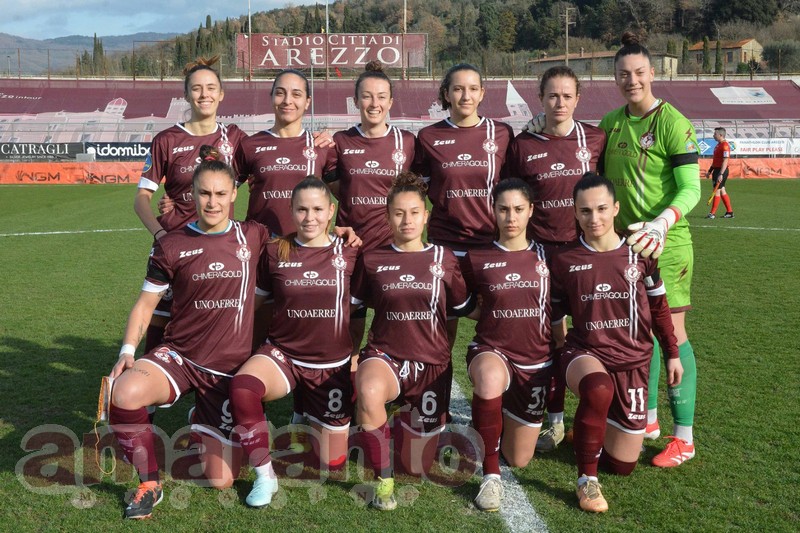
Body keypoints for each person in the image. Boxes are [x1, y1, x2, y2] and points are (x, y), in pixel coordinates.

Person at [108, 147, 270, 519]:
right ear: (192, 194)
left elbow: (301, 246)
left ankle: (200, 420)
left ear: (234, 194)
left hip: (227, 370)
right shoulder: (170, 244)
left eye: (220, 193)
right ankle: (150, 482)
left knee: (222, 480)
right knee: (125, 391)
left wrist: (341, 234)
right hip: (180, 356)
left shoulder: (254, 235)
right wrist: (127, 351)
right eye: (204, 193)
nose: (212, 202)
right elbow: (145, 305)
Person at [550, 172, 682, 513]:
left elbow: (659, 306)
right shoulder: (564, 259)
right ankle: (586, 481)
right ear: (575, 212)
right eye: (585, 211)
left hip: (632, 361)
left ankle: (590, 429)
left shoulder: (640, 252)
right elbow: (555, 313)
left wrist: (672, 353)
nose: (593, 218)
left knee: (622, 466)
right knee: (597, 389)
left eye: (601, 209)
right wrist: (558, 354)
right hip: (586, 352)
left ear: (616, 208)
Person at [598, 31, 701, 468]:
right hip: (626, 249)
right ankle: (649, 421)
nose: (632, 81)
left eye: (639, 72)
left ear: (653, 73)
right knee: (641, 333)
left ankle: (684, 437)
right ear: (615, 78)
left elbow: (691, 188)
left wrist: (661, 223)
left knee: (672, 332)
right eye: (624, 74)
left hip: (668, 245)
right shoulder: (611, 123)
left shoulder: (673, 123)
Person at [229, 177, 358, 508]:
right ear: (291, 210)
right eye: (302, 209)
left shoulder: (351, 251)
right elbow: (252, 305)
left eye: (317, 209)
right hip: (283, 354)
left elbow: (361, 309)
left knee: (332, 464)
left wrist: (357, 357)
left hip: (330, 366)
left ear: (332, 211)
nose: (310, 217)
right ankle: (264, 476)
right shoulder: (275, 251)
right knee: (243, 388)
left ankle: (307, 411)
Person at [351, 172, 473, 511]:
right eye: (399, 213)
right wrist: (351, 355)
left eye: (414, 212)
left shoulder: (444, 259)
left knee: (416, 467)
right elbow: (354, 310)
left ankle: (387, 422)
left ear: (426, 216)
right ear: (388, 217)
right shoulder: (372, 259)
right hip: (386, 355)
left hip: (430, 364)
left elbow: (458, 312)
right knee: (369, 389)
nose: (407, 220)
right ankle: (383, 481)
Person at [507, 65, 606, 453]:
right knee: (550, 338)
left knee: (593, 333)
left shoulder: (595, 139)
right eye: (552, 95)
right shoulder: (523, 144)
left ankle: (596, 415)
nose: (559, 102)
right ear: (540, 99)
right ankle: (555, 419)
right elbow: (512, 196)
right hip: (540, 257)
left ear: (577, 99)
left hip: (584, 254)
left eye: (567, 95)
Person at [135, 56, 248, 353]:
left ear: (221, 94)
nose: (204, 94)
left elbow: (267, 163)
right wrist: (162, 235)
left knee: (211, 319)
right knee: (160, 320)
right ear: (186, 95)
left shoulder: (234, 138)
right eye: (196, 88)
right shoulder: (167, 139)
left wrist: (317, 141)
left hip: (219, 246)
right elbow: (141, 199)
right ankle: (149, 373)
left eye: (211, 88)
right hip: (175, 245)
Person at [461, 178, 558, 512]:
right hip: (493, 350)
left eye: (518, 209)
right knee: (489, 378)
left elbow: (559, 310)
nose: (511, 217)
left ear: (531, 211)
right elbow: (459, 300)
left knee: (519, 458)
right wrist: (487, 314)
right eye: (503, 209)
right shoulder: (477, 257)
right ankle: (490, 476)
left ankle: (491, 420)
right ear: (494, 210)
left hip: (535, 362)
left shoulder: (548, 256)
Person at [326, 60, 417, 374]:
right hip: (350, 249)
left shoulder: (407, 142)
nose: (374, 103)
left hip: (391, 249)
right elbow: (334, 187)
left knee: (393, 323)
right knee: (350, 325)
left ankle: (391, 381)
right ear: (355, 100)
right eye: (366, 96)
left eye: (381, 96)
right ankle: (347, 382)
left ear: (391, 101)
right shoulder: (340, 141)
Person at [414, 63, 513, 345]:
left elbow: (513, 190)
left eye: (472, 89)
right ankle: (438, 377)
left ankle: (492, 374)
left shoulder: (502, 134)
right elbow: (417, 191)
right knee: (442, 334)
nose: (466, 96)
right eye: (458, 89)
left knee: (499, 325)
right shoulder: (428, 137)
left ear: (482, 93)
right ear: (446, 94)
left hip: (490, 246)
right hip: (446, 246)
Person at [235, 68, 337, 237]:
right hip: (260, 245)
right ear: (271, 97)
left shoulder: (321, 145)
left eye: (296, 94)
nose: (287, 101)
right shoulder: (250, 145)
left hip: (306, 246)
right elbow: (223, 194)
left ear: (307, 102)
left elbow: (348, 196)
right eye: (280, 93)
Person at [706, 127, 734, 219]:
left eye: (715, 134)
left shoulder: (725, 145)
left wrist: (721, 174)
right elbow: (716, 161)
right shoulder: (718, 145)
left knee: (716, 190)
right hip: (717, 170)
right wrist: (710, 171)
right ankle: (729, 212)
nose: (713, 135)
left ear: (721, 135)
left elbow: (725, 160)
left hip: (721, 171)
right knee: (722, 190)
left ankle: (712, 213)